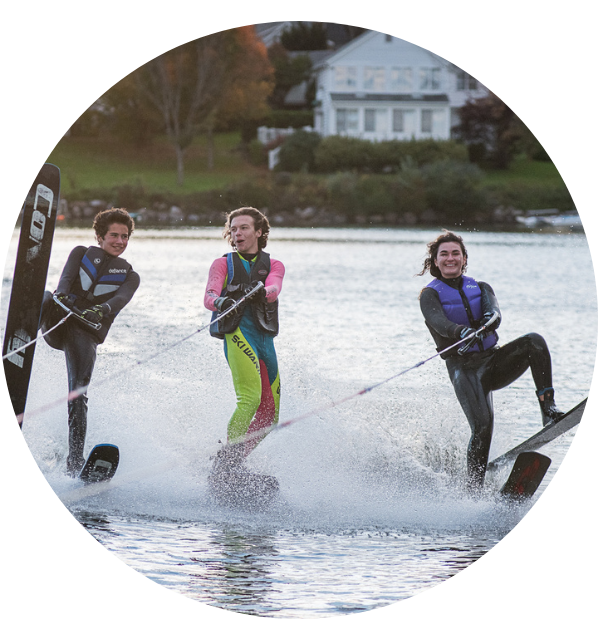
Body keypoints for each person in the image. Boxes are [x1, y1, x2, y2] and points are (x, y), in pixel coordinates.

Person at [418, 230, 563, 492]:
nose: (450, 258)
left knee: (534, 341)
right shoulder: (429, 295)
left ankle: (548, 410)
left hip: (494, 362)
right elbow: (438, 322)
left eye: (455, 253)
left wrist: (487, 325)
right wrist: (460, 332)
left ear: (464, 259)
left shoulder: (481, 287)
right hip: (464, 369)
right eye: (444, 254)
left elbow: (494, 313)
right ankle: (473, 492)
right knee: (483, 427)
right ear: (435, 261)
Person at [40, 208, 140, 476]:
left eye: (125, 236)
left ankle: (75, 459)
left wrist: (101, 309)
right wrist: (63, 295)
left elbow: (119, 300)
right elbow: (66, 279)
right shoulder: (80, 253)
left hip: (84, 334)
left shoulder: (131, 276)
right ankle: (20, 336)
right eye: (114, 235)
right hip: (57, 323)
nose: (120, 241)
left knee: (78, 393)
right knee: (45, 296)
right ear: (99, 236)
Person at [204, 207, 284, 474]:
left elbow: (274, 288)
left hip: (264, 340)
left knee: (270, 416)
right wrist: (221, 300)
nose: (237, 233)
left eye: (244, 228)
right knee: (249, 400)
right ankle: (226, 464)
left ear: (259, 232)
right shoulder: (222, 264)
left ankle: (233, 459)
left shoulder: (274, 265)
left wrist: (262, 290)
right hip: (238, 334)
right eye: (233, 228)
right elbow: (209, 297)